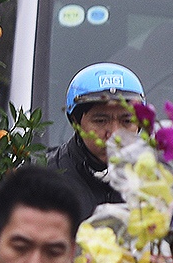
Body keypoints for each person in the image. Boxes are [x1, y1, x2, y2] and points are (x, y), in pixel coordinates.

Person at [51, 62, 145, 210]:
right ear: (75, 122)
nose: (114, 134)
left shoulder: (159, 180)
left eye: (126, 121)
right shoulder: (45, 178)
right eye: (100, 121)